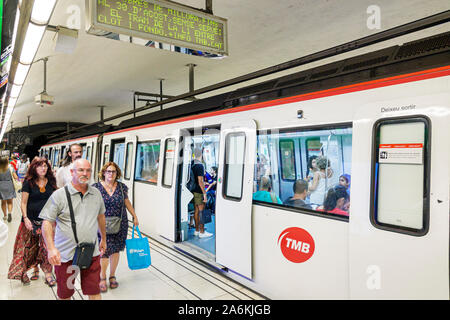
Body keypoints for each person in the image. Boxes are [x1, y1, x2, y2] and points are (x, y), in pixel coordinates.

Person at [40, 159, 107, 300]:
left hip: (91, 252)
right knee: (66, 293)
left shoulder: (96, 193)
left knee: (94, 290)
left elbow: (101, 217)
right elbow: (47, 222)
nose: (85, 173)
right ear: (72, 172)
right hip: (65, 255)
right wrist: (51, 248)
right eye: (81, 170)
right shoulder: (59, 195)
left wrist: (104, 239)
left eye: (88, 170)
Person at [7, 157, 56, 286]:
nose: (43, 168)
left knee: (46, 248)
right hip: (30, 222)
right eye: (40, 166)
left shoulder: (51, 181)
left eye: (45, 166)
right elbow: (23, 203)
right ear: (34, 167)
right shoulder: (28, 182)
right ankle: (30, 270)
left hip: (47, 222)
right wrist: (25, 218)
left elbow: (56, 200)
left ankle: (48, 274)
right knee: (28, 249)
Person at [92, 162, 139, 292]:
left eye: (113, 172)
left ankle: (112, 276)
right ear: (103, 173)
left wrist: (134, 216)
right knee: (104, 251)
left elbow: (127, 202)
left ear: (117, 173)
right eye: (108, 171)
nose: (111, 174)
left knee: (116, 250)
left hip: (120, 223)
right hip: (102, 224)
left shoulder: (122, 187)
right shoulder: (95, 187)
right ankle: (102, 277)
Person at [191, 148, 212, 238]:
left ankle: (196, 230)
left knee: (196, 211)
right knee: (201, 211)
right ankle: (202, 232)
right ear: (201, 154)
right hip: (199, 191)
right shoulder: (200, 165)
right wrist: (204, 193)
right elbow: (200, 181)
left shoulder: (192, 164)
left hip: (193, 190)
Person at [0, 156, 18, 223]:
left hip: (1, 186)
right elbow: (15, 177)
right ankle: (9, 213)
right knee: (10, 202)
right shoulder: (11, 168)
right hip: (9, 185)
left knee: (3, 202)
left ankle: (5, 215)